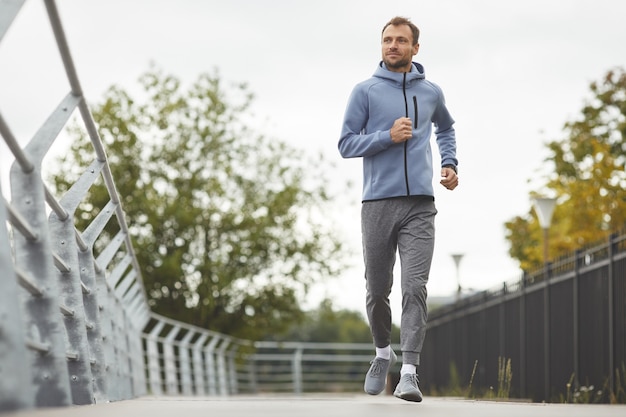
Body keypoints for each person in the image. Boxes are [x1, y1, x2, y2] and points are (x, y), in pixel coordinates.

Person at [338, 16, 458, 402]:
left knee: (414, 287)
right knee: (377, 290)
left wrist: (450, 162)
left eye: (401, 40)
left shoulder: (431, 92)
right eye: (387, 40)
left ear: (414, 48)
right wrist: (386, 137)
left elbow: (446, 128)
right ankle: (381, 353)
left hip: (421, 205)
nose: (393, 45)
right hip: (377, 203)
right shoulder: (365, 92)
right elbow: (345, 144)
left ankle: (409, 373)